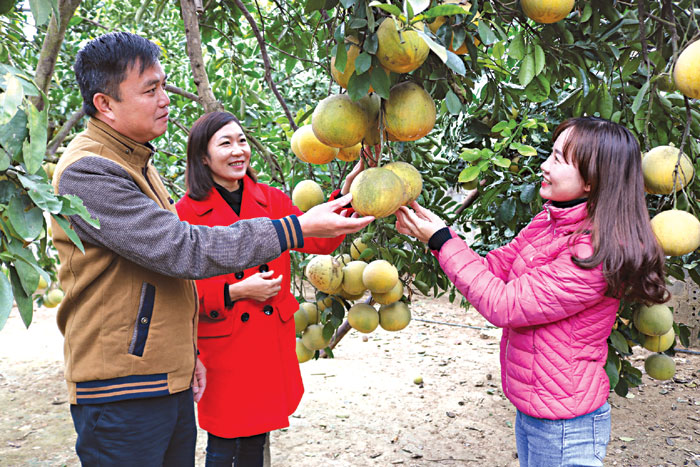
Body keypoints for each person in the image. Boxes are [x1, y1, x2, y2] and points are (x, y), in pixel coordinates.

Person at [51, 32, 373, 466]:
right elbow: (180, 250)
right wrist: (288, 235)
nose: (165, 99)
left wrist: (350, 196)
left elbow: (316, 233)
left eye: (164, 85)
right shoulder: (91, 171)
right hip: (123, 386)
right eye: (151, 89)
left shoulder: (136, 161)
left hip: (164, 377)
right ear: (104, 104)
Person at [394, 117, 669, 466]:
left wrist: (442, 240)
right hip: (538, 409)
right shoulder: (550, 222)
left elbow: (504, 305)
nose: (544, 165)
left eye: (557, 159)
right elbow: (495, 270)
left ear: (591, 179)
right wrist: (437, 238)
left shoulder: (594, 253)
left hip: (566, 424)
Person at [175, 111, 363, 466]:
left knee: (255, 440)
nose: (238, 151)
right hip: (224, 347)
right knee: (223, 442)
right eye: (225, 143)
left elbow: (319, 242)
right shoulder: (184, 213)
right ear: (203, 156)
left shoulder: (271, 200)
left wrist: (350, 196)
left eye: (242, 141)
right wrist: (236, 291)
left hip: (264, 342)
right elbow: (180, 293)